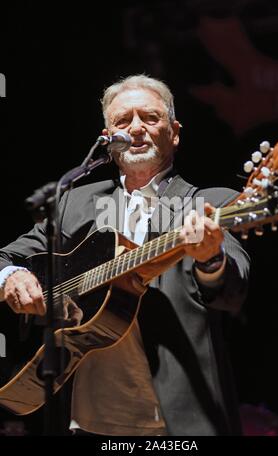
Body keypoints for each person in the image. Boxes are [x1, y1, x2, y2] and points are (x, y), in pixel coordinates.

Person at [0, 74, 250, 436]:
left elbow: (232, 290)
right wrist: (13, 278)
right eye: (122, 121)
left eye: (150, 118)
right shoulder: (75, 202)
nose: (135, 129)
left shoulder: (208, 204)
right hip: (85, 422)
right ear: (107, 137)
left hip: (176, 426)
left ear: (175, 132)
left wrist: (211, 259)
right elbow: (6, 258)